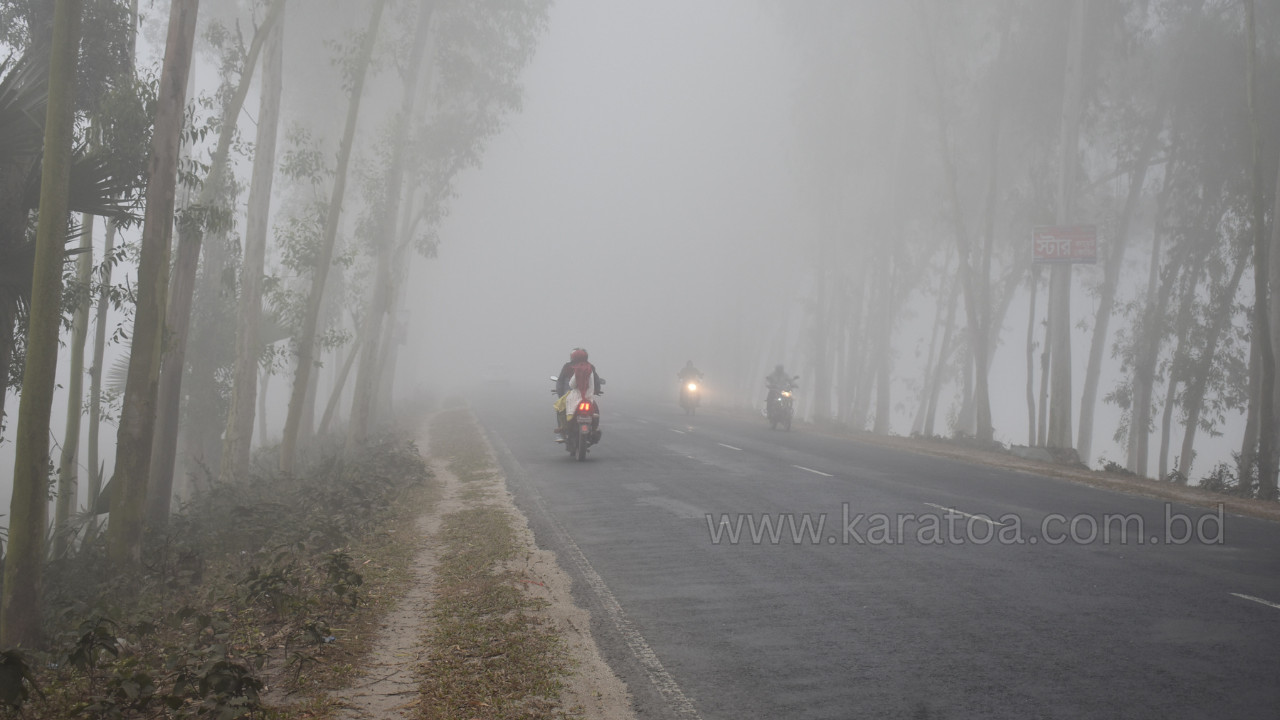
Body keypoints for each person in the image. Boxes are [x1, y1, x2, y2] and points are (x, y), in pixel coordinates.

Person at [554, 348, 604, 438]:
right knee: (595, 410)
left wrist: (560, 394)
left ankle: (561, 429)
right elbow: (596, 381)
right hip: (588, 396)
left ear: (573, 357)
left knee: (559, 408)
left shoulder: (568, 367)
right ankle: (595, 428)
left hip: (573, 395)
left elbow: (564, 382)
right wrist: (596, 390)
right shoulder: (590, 367)